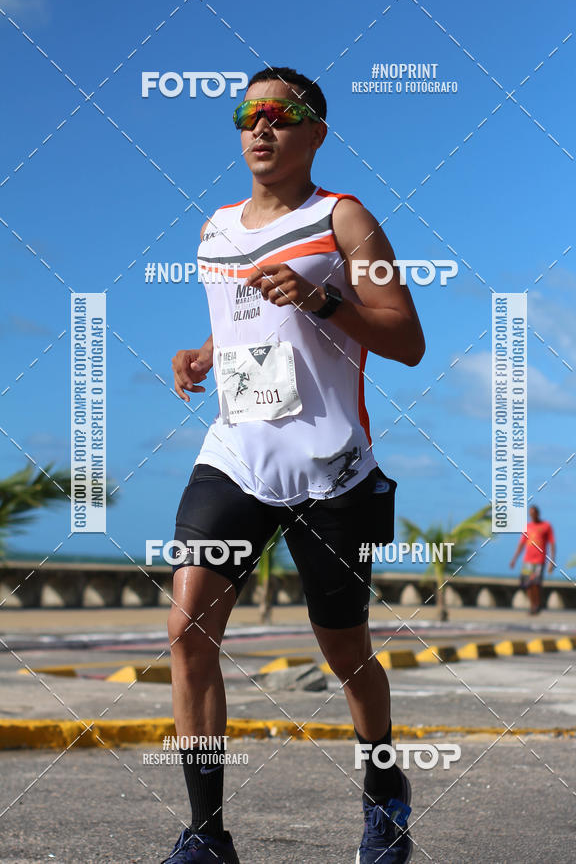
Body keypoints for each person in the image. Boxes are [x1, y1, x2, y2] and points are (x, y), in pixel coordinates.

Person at [162, 66, 426, 864]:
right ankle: (206, 837)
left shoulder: (344, 219)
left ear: (316, 132)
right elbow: (245, 324)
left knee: (346, 654)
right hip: (236, 458)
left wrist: (320, 300)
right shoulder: (214, 232)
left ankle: (385, 794)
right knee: (187, 629)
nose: (261, 127)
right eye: (248, 114)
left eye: (282, 114)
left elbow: (406, 340)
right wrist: (203, 354)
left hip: (332, 473)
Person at [509, 505, 556, 614]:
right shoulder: (527, 527)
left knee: (536, 583)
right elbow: (521, 544)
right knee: (527, 584)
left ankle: (536, 605)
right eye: (530, 514)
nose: (532, 515)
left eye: (533, 513)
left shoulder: (546, 526)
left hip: (539, 560)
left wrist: (552, 561)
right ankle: (532, 605)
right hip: (527, 560)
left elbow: (552, 544)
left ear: (538, 514)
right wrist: (514, 559)